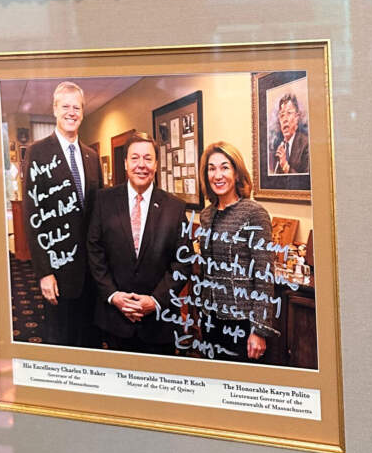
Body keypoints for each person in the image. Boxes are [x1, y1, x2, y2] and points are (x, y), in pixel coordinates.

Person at [87, 133, 190, 355]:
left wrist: (155, 300)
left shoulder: (175, 208)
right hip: (114, 321)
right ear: (125, 163)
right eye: (134, 158)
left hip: (159, 323)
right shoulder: (103, 200)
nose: (141, 165)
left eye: (147, 158)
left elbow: (182, 263)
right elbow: (95, 252)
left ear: (156, 164)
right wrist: (114, 296)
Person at [21, 81, 102, 347]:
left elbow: (98, 215)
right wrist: (44, 272)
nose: (71, 112)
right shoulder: (38, 152)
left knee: (90, 341)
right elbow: (34, 218)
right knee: (61, 342)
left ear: (82, 112)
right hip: (58, 271)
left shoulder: (91, 156)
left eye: (76, 107)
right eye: (65, 106)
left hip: (91, 273)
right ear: (55, 109)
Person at [196, 141, 281, 361]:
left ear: (236, 172)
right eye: (211, 168)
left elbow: (264, 275)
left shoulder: (254, 213)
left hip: (241, 323)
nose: (218, 175)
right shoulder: (206, 215)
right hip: (209, 319)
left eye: (225, 167)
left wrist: (259, 329)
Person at [271, 93, 309, 175]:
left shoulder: (306, 144)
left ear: (297, 117)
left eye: (288, 113)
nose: (284, 119)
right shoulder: (279, 148)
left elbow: (307, 181)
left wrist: (285, 166)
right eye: (282, 115)